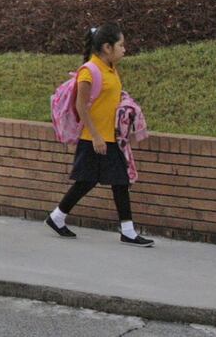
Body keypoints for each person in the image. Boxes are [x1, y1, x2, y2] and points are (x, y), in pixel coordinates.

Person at [44, 23, 155, 247]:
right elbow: (81, 106)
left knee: (107, 182)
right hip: (94, 139)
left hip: (110, 138)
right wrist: (95, 136)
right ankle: (127, 231)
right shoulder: (90, 71)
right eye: (121, 45)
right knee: (101, 182)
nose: (124, 49)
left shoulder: (111, 69)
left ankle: (58, 217)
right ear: (107, 47)